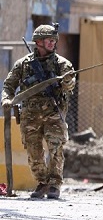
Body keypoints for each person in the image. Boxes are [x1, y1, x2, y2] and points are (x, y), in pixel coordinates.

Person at [1, 24, 75, 199]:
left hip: (54, 115)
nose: (52, 43)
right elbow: (8, 85)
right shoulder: (23, 64)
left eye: (53, 40)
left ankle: (54, 184)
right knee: (34, 151)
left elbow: (70, 86)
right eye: (49, 40)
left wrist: (66, 81)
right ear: (38, 42)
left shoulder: (63, 65)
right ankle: (42, 183)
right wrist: (6, 99)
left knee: (55, 148)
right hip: (30, 116)